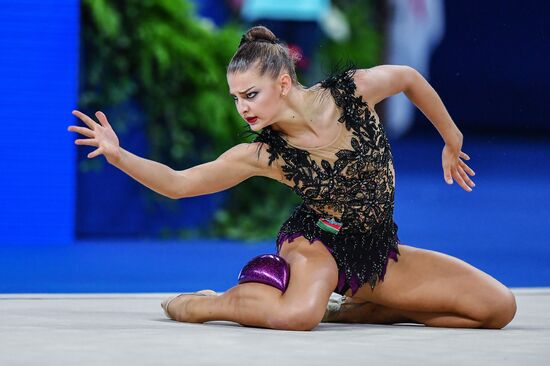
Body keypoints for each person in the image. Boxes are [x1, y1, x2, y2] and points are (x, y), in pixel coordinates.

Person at [68, 26, 517, 330]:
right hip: (317, 240)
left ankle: (360, 310)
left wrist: (451, 136)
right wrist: (119, 155)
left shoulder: (351, 93)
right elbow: (181, 183)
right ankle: (207, 303)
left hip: (373, 248)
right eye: (235, 98)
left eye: (250, 94)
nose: (242, 107)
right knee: (299, 314)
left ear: (283, 83)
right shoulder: (263, 154)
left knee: (497, 310)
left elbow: (408, 78)